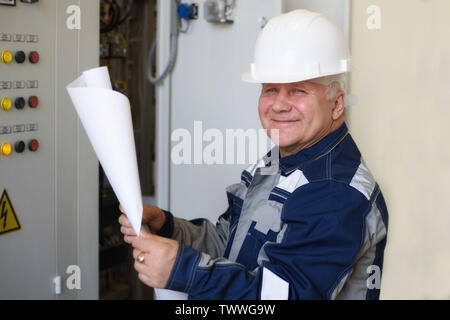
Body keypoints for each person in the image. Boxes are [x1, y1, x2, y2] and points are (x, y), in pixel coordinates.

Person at [119, 9, 389, 300]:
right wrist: (169, 226)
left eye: (298, 91)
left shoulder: (336, 193)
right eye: (271, 89)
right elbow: (228, 243)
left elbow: (287, 296)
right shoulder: (278, 162)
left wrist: (185, 270)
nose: (279, 105)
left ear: (336, 105)